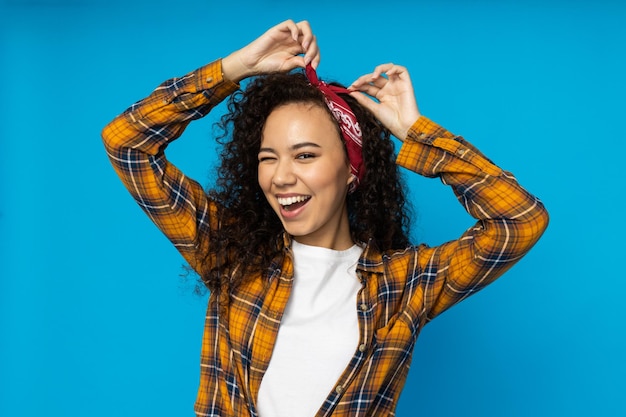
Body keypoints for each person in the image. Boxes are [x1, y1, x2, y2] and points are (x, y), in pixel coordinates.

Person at [102, 19, 548, 417]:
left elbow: (520, 220)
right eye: (268, 158)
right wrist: (236, 68)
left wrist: (415, 134)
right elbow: (126, 143)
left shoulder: (403, 284)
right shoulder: (233, 254)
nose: (281, 177)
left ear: (352, 171)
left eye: (306, 155)